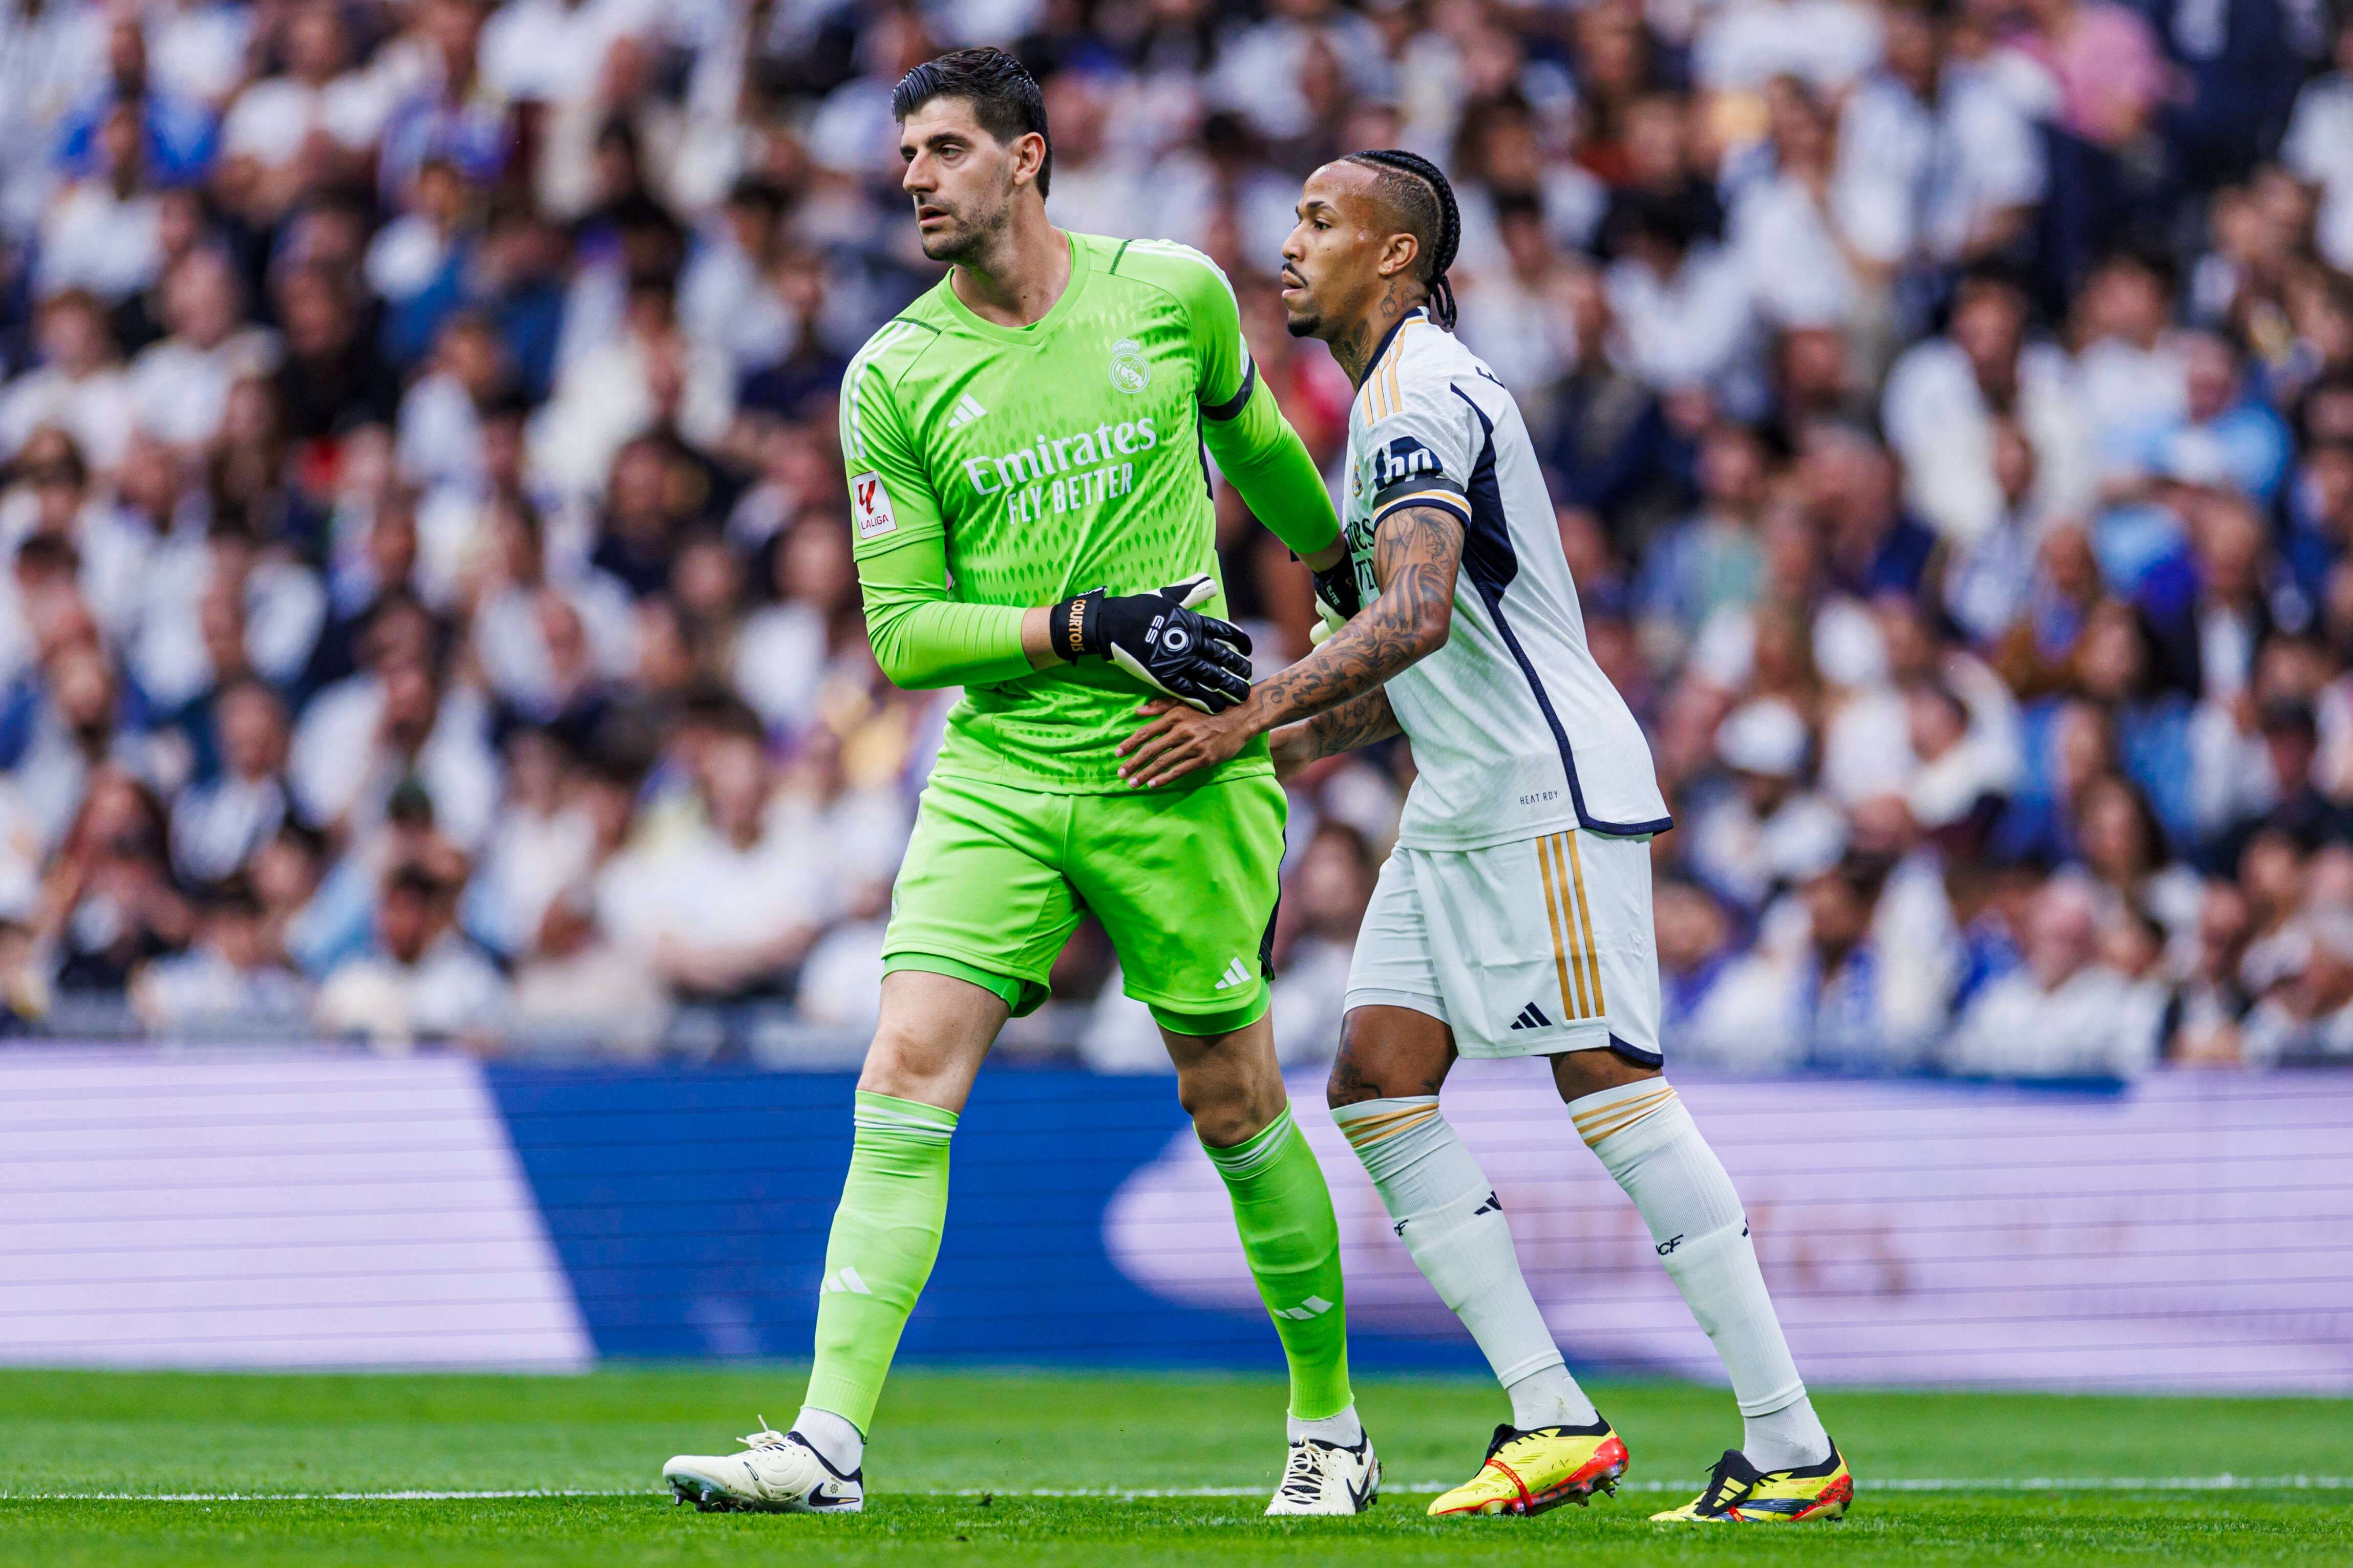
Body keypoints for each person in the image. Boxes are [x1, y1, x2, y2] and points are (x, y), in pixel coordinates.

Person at [662, 49, 1374, 1518]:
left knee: (1229, 1095)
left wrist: (1341, 582)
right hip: (997, 767)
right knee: (903, 1074)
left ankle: (1331, 1432)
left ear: (1028, 155)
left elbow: (1257, 445)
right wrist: (1085, 623)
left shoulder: (1167, 291)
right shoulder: (892, 375)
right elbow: (906, 634)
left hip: (1170, 762)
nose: (911, 177)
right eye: (902, 153)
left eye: (941, 149)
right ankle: (826, 1443)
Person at [1115, 149, 1853, 1524]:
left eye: (1320, 223)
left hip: (1540, 787)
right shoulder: (1386, 400)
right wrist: (1254, 743)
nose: (1290, 246)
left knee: (1609, 1089)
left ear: (1394, 255)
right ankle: (1551, 1414)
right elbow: (1396, 677)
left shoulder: (1418, 392)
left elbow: (1412, 617)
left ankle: (1789, 1441)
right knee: (1376, 1084)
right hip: (1458, 796)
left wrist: (1245, 713)